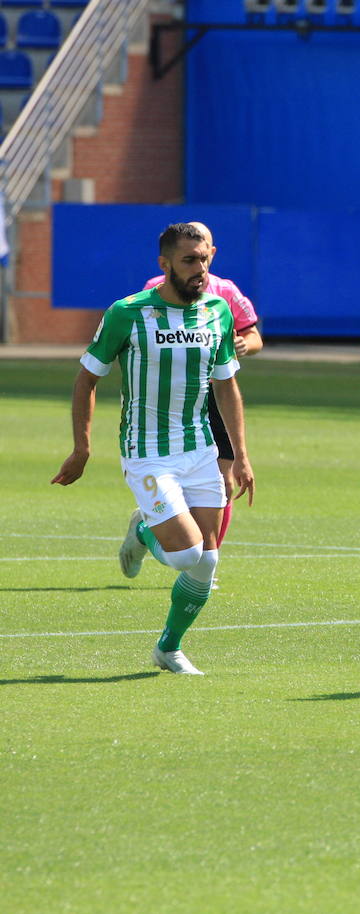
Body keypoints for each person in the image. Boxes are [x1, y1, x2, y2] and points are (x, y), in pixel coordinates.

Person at [51, 223, 256, 675]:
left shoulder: (218, 312)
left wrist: (239, 454)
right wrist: (81, 447)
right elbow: (88, 377)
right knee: (185, 555)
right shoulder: (128, 313)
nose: (199, 269)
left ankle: (168, 648)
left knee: (208, 561)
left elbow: (227, 385)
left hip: (200, 448)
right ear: (164, 265)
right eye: (188, 260)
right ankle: (144, 532)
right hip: (147, 452)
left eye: (204, 259)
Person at [142, 221, 261, 553]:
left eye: (204, 252)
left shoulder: (225, 293)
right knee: (174, 479)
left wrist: (243, 346)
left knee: (223, 481)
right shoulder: (155, 288)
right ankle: (147, 528)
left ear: (212, 251)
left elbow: (254, 336)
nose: (200, 262)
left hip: (212, 395)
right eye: (190, 256)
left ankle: (209, 561)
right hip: (170, 398)